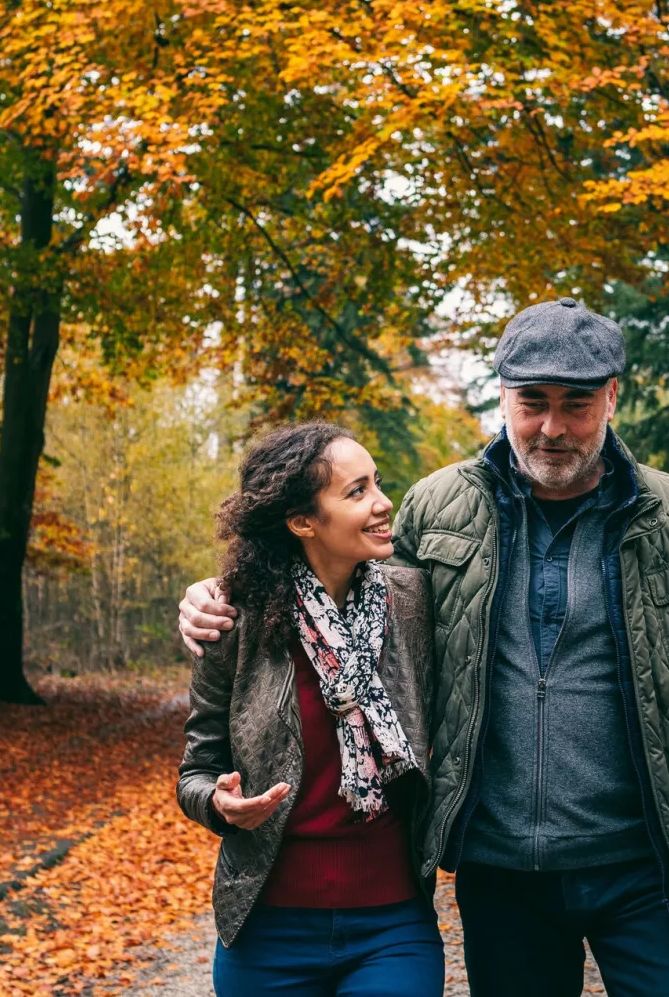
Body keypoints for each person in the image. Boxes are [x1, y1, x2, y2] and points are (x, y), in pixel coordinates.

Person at [180, 300, 669, 997]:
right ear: (503, 396)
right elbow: (333, 584)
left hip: (648, 870)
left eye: (576, 405)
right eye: (532, 403)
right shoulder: (437, 510)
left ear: (612, 398)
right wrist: (217, 596)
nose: (552, 427)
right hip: (501, 878)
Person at [176, 422, 443, 996]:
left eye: (377, 483)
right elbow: (195, 772)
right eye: (356, 492)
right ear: (302, 522)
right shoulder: (236, 624)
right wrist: (220, 805)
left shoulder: (416, 601)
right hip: (268, 928)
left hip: (393, 922)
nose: (382, 503)